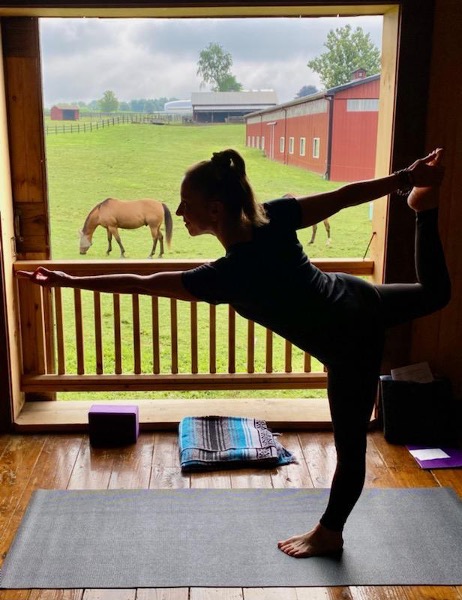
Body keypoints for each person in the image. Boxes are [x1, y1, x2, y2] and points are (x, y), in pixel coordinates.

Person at [18, 147, 451, 558]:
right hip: (354, 296)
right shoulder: (271, 221)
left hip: (350, 342)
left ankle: (329, 533)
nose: (179, 211)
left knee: (351, 448)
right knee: (436, 294)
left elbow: (143, 283)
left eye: (186, 203)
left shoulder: (227, 276)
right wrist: (405, 178)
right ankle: (422, 207)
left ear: (215, 210)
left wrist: (70, 282)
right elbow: (341, 198)